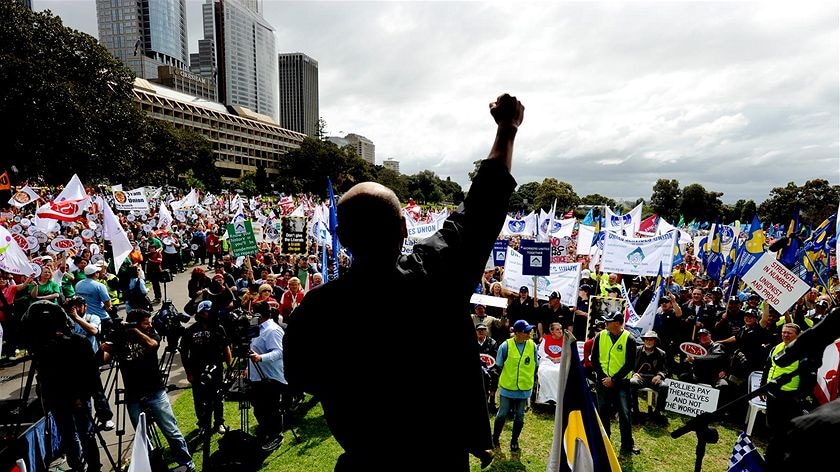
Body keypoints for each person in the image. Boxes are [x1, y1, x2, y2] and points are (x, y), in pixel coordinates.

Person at [284, 93, 524, 470]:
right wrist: (506, 131)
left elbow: (301, 377)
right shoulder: (436, 276)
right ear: (403, 228)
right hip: (438, 459)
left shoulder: (315, 311)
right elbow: (480, 209)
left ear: (342, 239)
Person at [100, 310, 195, 472]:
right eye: (146, 322)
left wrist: (134, 330)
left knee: (171, 430)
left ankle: (187, 463)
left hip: (155, 391)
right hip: (133, 395)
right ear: (136, 323)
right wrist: (105, 345)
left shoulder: (151, 334)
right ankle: (153, 466)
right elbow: (103, 360)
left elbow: (152, 345)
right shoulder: (120, 338)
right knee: (142, 437)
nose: (150, 324)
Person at [180, 300, 232, 437]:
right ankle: (202, 424)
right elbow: (184, 353)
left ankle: (219, 422)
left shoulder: (218, 328)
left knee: (218, 396)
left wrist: (230, 366)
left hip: (216, 368)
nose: (209, 314)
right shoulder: (190, 331)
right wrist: (188, 372)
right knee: (199, 398)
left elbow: (226, 347)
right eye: (206, 312)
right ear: (200, 313)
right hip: (197, 370)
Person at [592, 310, 640, 455]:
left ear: (618, 324)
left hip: (621, 383)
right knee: (603, 413)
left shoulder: (629, 339)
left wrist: (614, 379)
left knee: (625, 414)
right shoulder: (600, 336)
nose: (606, 323)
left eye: (609, 321)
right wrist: (603, 377)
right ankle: (603, 441)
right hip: (602, 381)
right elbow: (594, 359)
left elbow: (630, 364)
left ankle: (627, 444)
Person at [762, 323, 807, 467]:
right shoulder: (776, 348)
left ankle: (781, 458)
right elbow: (768, 367)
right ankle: (771, 453)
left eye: (789, 333)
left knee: (784, 429)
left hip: (789, 396)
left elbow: (808, 377)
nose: (785, 335)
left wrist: (799, 395)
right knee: (772, 425)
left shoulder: (803, 352)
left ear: (797, 335)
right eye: (784, 332)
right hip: (771, 393)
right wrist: (763, 387)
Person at [492, 319, 538, 453]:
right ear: (517, 333)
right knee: (502, 415)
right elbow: (498, 366)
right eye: (526, 331)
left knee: (519, 416)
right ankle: (495, 438)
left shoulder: (533, 346)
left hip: (524, 389)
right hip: (507, 388)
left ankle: (514, 440)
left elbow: (535, 365)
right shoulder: (505, 346)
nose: (530, 333)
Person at [248, 306, 288, 451]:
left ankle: (276, 436)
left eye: (253, 314)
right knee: (259, 408)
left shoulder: (272, 330)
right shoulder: (256, 329)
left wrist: (261, 358)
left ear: (260, 315)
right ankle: (265, 432)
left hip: (270, 377)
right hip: (257, 376)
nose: (251, 316)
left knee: (271, 408)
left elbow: (279, 352)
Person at [630, 330, 669, 425]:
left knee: (664, 386)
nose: (648, 341)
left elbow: (664, 369)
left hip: (653, 379)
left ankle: (658, 412)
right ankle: (635, 411)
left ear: (655, 341)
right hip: (639, 377)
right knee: (631, 382)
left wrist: (659, 376)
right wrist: (633, 374)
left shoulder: (661, 353)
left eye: (651, 340)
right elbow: (628, 366)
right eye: (646, 339)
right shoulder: (636, 350)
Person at [535, 321, 564, 404]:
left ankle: (557, 397)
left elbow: (568, 353)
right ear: (552, 331)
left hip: (560, 362)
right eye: (557, 329)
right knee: (544, 372)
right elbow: (541, 352)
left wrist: (559, 358)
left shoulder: (565, 340)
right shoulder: (546, 338)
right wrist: (550, 358)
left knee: (559, 372)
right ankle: (546, 396)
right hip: (547, 360)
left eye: (561, 329)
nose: (560, 331)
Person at [476, 323, 499, 413]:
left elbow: (495, 358)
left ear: (487, 331)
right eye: (479, 330)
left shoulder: (492, 343)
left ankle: (492, 399)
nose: (481, 331)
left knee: (495, 374)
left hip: (490, 367)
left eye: (483, 329)